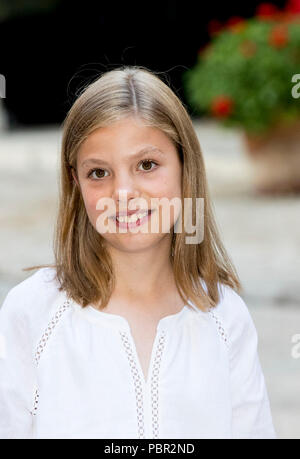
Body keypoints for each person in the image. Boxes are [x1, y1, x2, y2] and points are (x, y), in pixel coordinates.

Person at [0, 66, 276, 439]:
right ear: (75, 182)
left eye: (147, 165)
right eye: (99, 172)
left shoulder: (225, 316)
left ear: (185, 169)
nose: (123, 193)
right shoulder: (32, 313)